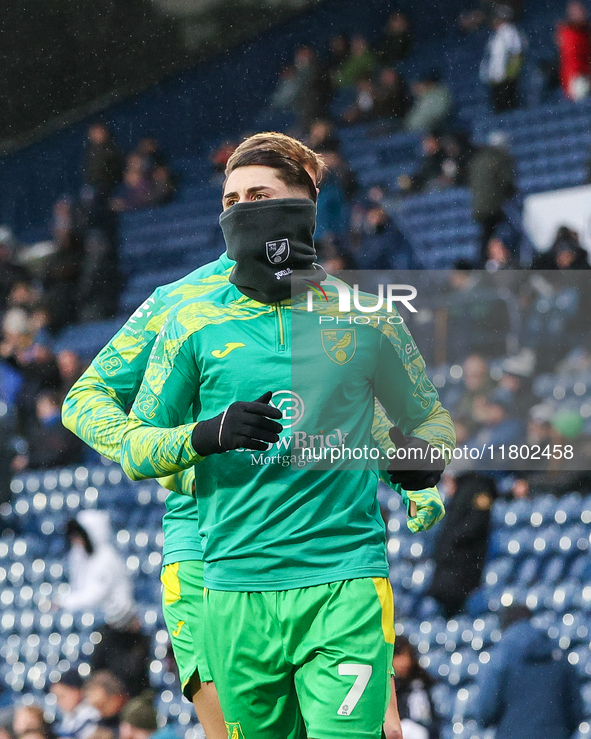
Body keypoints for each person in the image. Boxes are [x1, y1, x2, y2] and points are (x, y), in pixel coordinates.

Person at [64, 131, 444, 738]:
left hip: (329, 552)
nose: (242, 210)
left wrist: (419, 478)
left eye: (258, 195)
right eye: (230, 199)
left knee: (386, 731)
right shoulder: (180, 302)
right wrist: (189, 443)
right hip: (206, 544)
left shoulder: (352, 309)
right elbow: (84, 399)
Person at [59, 511, 149, 696]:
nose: (76, 541)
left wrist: (64, 602)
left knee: (117, 685)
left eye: (80, 535)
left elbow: (94, 596)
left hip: (120, 632)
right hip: (108, 630)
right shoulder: (86, 559)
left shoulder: (106, 559)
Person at [475, 604, 584, 739]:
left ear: (504, 624)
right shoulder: (558, 654)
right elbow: (576, 712)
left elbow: (485, 712)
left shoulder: (500, 657)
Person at [428, 472, 496, 617]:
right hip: (450, 571)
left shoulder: (477, 490)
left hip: (461, 570)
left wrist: (455, 539)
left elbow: (476, 523)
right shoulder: (459, 496)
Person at [467, 132, 516, 266]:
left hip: (479, 206)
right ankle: (502, 260)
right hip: (494, 205)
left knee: (485, 235)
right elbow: (507, 182)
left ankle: (483, 261)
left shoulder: (479, 159)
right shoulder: (500, 159)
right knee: (504, 234)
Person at [389, 637, 440, 739]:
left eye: (406, 656)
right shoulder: (385, 683)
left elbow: (426, 719)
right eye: (398, 656)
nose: (403, 662)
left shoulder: (419, 682)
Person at [480, 5, 525, 112]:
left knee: (508, 106)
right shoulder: (496, 35)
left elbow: (517, 53)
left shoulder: (509, 31)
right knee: (499, 106)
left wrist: (511, 73)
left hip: (506, 78)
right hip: (497, 78)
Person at [556, 1, 591, 100]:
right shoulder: (569, 33)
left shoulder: (584, 31)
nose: (582, 13)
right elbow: (573, 58)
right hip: (577, 77)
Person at [51, 669, 99, 739]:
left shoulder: (92, 714)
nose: (59, 702)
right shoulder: (68, 716)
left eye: (62, 696)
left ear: (76, 692)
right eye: (57, 698)